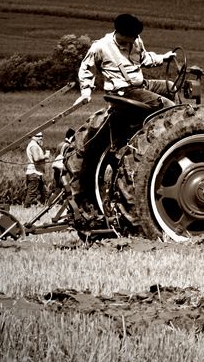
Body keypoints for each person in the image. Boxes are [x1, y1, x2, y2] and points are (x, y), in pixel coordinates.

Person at [65, 13, 177, 215]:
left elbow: (144, 59)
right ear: (120, 33)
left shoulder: (136, 41)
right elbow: (86, 68)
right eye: (130, 37)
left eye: (135, 37)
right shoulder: (101, 47)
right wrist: (86, 92)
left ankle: (173, 134)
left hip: (140, 85)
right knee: (167, 105)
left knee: (170, 88)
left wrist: (164, 57)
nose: (134, 40)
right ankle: (167, 140)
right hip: (123, 91)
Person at [24, 131, 51, 206]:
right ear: (33, 137)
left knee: (44, 193)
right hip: (34, 173)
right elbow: (36, 158)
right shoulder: (34, 146)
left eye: (41, 136)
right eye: (38, 136)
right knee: (31, 194)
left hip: (36, 173)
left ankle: (43, 207)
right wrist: (46, 156)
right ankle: (27, 208)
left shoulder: (35, 145)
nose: (41, 138)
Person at [52, 128, 76, 192]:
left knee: (57, 190)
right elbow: (64, 161)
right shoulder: (67, 145)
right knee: (63, 190)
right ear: (71, 137)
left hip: (57, 170)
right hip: (62, 171)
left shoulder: (60, 144)